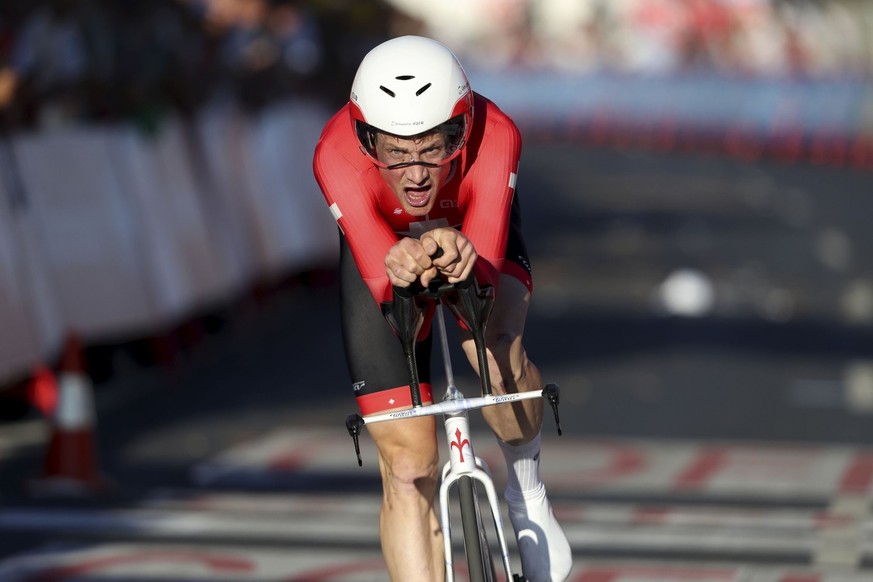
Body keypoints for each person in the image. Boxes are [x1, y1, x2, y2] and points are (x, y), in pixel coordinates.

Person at [312, 35, 572, 582]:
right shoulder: (333, 152)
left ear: (461, 128)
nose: (415, 173)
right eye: (395, 152)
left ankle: (526, 492)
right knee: (408, 467)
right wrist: (397, 265)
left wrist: (461, 257)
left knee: (494, 347)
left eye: (433, 148)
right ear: (364, 137)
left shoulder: (497, 133)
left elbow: (484, 275)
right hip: (385, 247)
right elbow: (384, 285)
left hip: (474, 232)